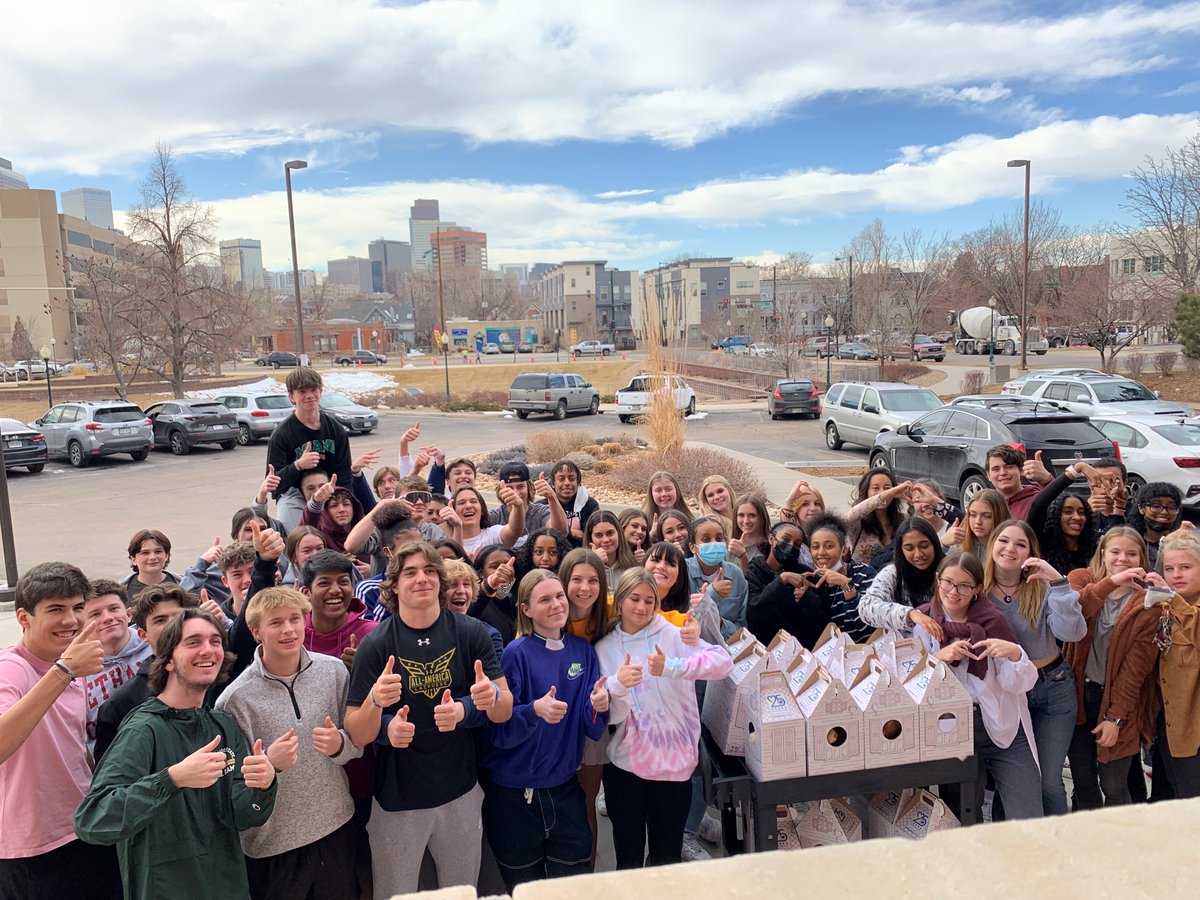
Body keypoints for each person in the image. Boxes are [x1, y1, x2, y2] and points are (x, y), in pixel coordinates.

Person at [343, 542, 513, 897]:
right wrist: (379, 710)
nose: (422, 578)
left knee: (461, 892)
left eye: (429, 571)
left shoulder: (471, 633)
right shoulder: (376, 644)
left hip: (460, 793)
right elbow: (356, 733)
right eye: (410, 572)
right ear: (393, 586)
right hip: (397, 801)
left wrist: (472, 706)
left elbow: (504, 707)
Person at [74, 609, 278, 899]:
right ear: (167, 659)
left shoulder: (223, 723)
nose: (208, 650)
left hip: (227, 887)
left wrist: (264, 785)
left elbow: (243, 816)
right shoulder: (143, 729)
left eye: (215, 641)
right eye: (193, 642)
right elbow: (93, 820)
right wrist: (171, 779)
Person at [215, 587, 363, 900]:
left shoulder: (334, 672)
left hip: (335, 825)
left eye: (295, 619)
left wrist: (340, 744)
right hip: (272, 844)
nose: (288, 629)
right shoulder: (234, 700)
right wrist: (269, 763)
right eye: (276, 622)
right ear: (256, 632)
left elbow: (356, 745)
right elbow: (234, 783)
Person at [595, 569, 732, 869]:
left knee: (666, 857)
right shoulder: (604, 648)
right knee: (628, 857)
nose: (642, 608)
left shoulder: (674, 632)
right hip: (626, 767)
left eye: (649, 600)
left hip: (674, 766)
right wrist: (618, 685)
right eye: (634, 599)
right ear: (619, 602)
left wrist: (672, 666)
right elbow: (611, 716)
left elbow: (723, 662)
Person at [0, 562, 122, 900]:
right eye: (56, 609)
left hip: (84, 827)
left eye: (78, 607)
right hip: (32, 849)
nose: (70, 620)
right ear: (23, 617)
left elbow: (73, 741)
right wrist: (64, 671)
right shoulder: (12, 669)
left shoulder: (72, 662)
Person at [482, 571, 609, 889]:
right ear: (526, 609)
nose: (556, 604)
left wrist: (600, 705)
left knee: (572, 885)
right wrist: (533, 711)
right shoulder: (516, 653)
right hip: (515, 796)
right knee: (526, 887)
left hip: (565, 788)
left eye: (559, 596)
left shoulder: (582, 651)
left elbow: (591, 728)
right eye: (545, 599)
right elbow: (500, 732)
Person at [916, 552, 1044, 820]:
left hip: (1004, 725)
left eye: (964, 586)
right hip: (953, 731)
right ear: (938, 580)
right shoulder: (925, 622)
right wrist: (938, 659)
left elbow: (1018, 682)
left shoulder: (993, 622)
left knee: (1027, 811)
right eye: (948, 582)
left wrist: (1014, 654)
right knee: (963, 815)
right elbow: (915, 687)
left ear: (976, 590)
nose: (954, 592)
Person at [983, 519, 1086, 816]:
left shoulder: (1041, 587)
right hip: (1009, 692)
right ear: (992, 545)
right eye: (1003, 540)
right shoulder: (979, 590)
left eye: (1020, 544)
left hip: (1052, 687)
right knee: (1015, 776)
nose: (1010, 548)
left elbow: (1073, 633)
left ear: (1031, 552)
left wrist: (1058, 582)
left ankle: (1057, 844)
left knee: (1049, 780)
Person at [1065, 527, 1152, 808]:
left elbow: (1135, 671)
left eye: (1131, 553)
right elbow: (1076, 610)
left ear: (1142, 558)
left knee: (1114, 784)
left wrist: (1116, 718)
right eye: (1115, 551)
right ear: (1103, 553)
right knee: (1083, 780)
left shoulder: (1148, 603)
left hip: (1117, 701)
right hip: (1077, 696)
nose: (1122, 558)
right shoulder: (1082, 579)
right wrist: (1112, 582)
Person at [94, 585, 200, 763]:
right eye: (160, 620)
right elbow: (110, 782)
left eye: (180, 617)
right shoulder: (121, 704)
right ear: (143, 634)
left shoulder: (216, 677)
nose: (172, 625)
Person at [558, 548, 611, 868]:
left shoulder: (609, 611)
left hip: (593, 722)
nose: (584, 588)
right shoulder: (547, 612)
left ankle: (586, 872)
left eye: (593, 580)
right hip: (554, 722)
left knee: (586, 800)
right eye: (576, 579)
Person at [1139, 533, 1200, 798]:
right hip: (1167, 726)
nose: (1177, 574)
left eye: (1186, 567)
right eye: (1169, 568)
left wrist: (1173, 599)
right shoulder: (1163, 607)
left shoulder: (1176, 604)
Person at [266, 367, 354, 532]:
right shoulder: (281, 435)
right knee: (301, 540)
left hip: (329, 491)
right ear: (292, 396)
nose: (309, 396)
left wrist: (343, 501)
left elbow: (345, 475)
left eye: (313, 390)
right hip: (295, 496)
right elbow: (273, 483)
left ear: (321, 391)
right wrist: (297, 465)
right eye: (302, 391)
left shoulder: (336, 430)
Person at [82, 579, 151, 753]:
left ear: (129, 614)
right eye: (95, 614)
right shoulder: (76, 669)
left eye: (113, 609)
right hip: (105, 760)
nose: (108, 618)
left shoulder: (155, 648)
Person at [857, 516, 945, 639]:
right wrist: (910, 614)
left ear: (935, 544)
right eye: (909, 548)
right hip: (908, 649)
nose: (918, 554)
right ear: (900, 550)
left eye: (924, 546)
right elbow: (866, 607)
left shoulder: (949, 569)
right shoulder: (893, 573)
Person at [796, 515, 877, 644]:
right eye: (815, 547)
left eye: (829, 546)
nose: (821, 552)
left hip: (865, 651)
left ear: (843, 550)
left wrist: (846, 584)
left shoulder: (863, 573)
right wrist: (807, 598)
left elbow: (867, 627)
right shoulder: (810, 582)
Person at [746, 522, 823, 646]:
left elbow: (820, 619)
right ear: (772, 539)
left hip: (802, 648)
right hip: (767, 648)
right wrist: (781, 581)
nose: (791, 546)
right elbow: (754, 610)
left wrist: (808, 597)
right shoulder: (753, 572)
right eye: (786, 539)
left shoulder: (806, 573)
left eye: (797, 544)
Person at [1025, 458, 1102, 576]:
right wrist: (1077, 469)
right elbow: (1037, 506)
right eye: (1067, 512)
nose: (1076, 517)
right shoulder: (1043, 542)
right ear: (1056, 516)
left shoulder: (1094, 549)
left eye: (1082, 512)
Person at [301, 550, 379, 665]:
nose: (335, 590)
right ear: (306, 593)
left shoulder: (373, 634)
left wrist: (365, 668)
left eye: (343, 582)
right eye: (324, 583)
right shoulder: (294, 635)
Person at [685, 516, 748, 638]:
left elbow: (742, 627)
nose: (714, 543)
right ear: (693, 547)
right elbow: (680, 618)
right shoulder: (682, 571)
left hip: (727, 648)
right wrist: (712, 594)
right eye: (706, 540)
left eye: (719, 539)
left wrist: (719, 623)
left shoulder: (735, 574)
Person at [846, 468, 910, 566]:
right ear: (866, 491)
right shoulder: (859, 522)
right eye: (876, 488)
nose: (882, 492)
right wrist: (883, 496)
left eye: (887, 488)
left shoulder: (902, 521)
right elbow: (850, 516)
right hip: (862, 579)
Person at [444, 485, 526, 560]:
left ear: (482, 510)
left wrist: (518, 506)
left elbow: (514, 530)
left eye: (474, 501)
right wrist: (457, 526)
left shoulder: (493, 534)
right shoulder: (446, 543)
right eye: (461, 503)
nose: (468, 506)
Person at [495, 461, 570, 539]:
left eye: (520, 487)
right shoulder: (496, 517)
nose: (516, 493)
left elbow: (561, 532)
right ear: (501, 490)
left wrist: (552, 497)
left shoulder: (540, 513)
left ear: (529, 487)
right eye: (509, 488)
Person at [1125, 482, 1184, 570]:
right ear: (1141, 508)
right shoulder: (1130, 541)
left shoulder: (1183, 543)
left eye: (1171, 507)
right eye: (1156, 506)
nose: (1164, 512)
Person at [985, 444, 1044, 521]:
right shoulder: (985, 506)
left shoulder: (1037, 501)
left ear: (1021, 470)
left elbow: (1059, 507)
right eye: (996, 469)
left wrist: (1046, 480)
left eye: (1008, 467)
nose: (1003, 473)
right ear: (988, 475)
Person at [550, 460, 599, 546]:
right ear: (553, 483)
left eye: (572, 479)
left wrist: (564, 531)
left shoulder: (589, 504)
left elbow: (592, 536)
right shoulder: (544, 505)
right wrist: (575, 533)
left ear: (578, 482)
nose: (567, 483)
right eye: (561, 479)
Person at [121, 528, 180, 600]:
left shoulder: (183, 585)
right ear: (133, 560)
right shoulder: (121, 591)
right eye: (145, 553)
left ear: (167, 556)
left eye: (158, 551)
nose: (152, 557)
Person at [585, 510, 636, 586]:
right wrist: (594, 563)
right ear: (590, 539)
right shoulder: (583, 568)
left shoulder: (632, 567)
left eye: (610, 533)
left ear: (619, 533)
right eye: (598, 535)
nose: (605, 540)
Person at [961, 489, 1010, 562]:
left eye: (987, 516)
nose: (978, 522)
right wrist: (943, 544)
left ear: (1000, 516)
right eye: (973, 515)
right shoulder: (959, 542)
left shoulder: (1009, 548)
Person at [729, 493, 771, 571]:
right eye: (741, 515)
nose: (746, 521)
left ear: (762, 517)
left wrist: (743, 557)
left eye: (752, 515)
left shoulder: (770, 549)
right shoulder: (729, 547)